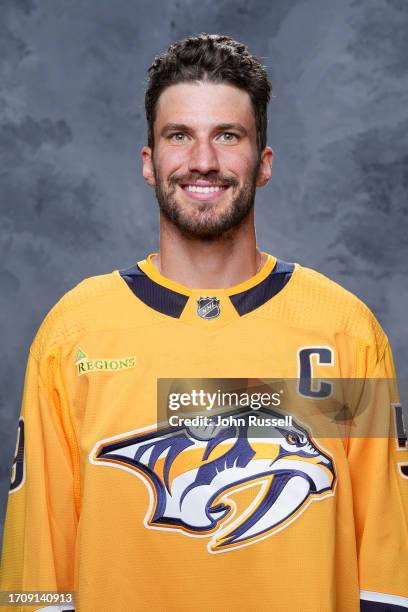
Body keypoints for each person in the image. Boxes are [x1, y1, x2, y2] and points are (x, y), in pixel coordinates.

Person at [0, 34, 407, 612]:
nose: (203, 161)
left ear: (263, 163)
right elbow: (35, 580)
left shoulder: (344, 333)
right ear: (149, 162)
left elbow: (388, 576)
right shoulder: (74, 335)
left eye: (228, 135)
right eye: (179, 135)